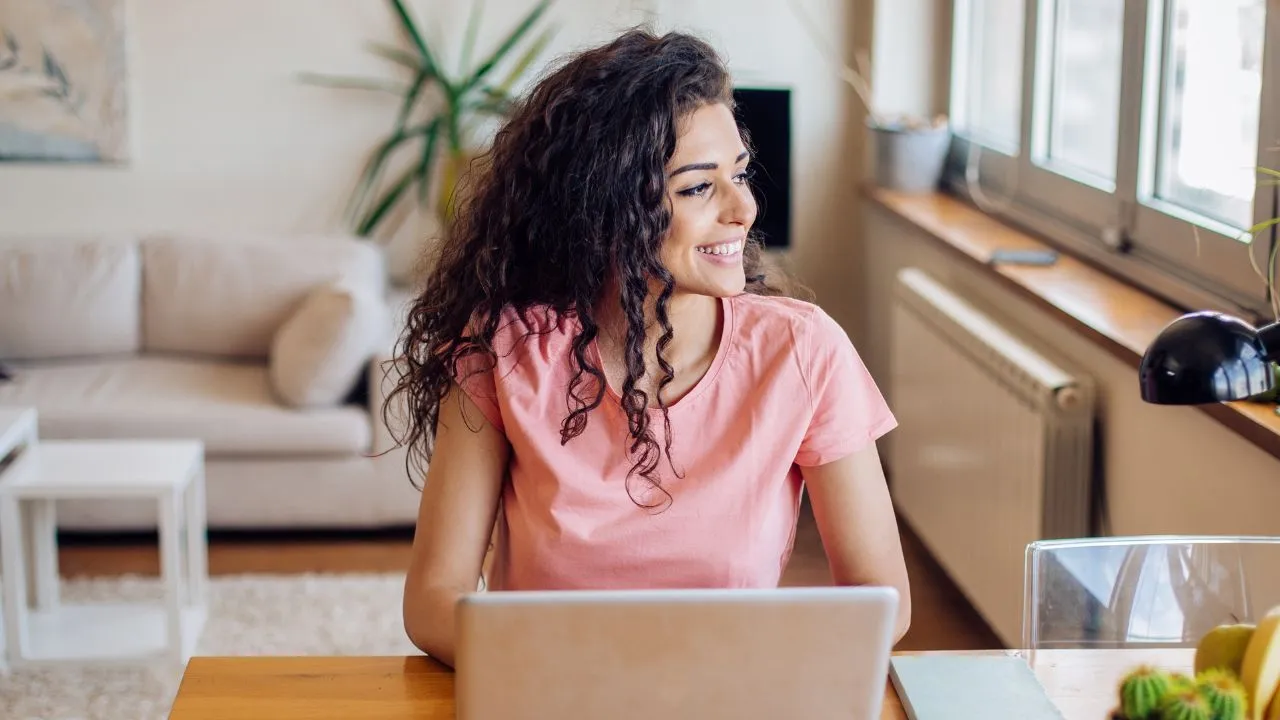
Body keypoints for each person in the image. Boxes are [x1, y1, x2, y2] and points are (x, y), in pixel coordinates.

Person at [386, 27, 911, 668]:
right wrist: (595, 666)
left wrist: (748, 667)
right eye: (697, 187)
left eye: (740, 174)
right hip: (551, 697)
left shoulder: (804, 352)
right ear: (604, 207)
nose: (743, 207)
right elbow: (434, 602)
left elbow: (882, 601)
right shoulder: (503, 352)